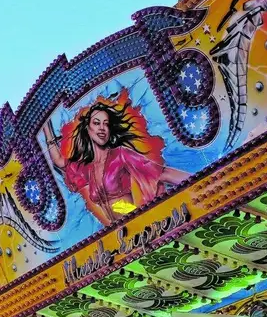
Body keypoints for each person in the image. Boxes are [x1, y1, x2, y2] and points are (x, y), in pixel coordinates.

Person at [42, 93, 187, 226]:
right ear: (88, 128)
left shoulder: (120, 154)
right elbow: (60, 161)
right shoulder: (88, 167)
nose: (102, 128)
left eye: (106, 124)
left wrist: (204, 182)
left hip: (135, 223)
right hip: (120, 232)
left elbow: (162, 173)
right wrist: (46, 128)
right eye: (97, 123)